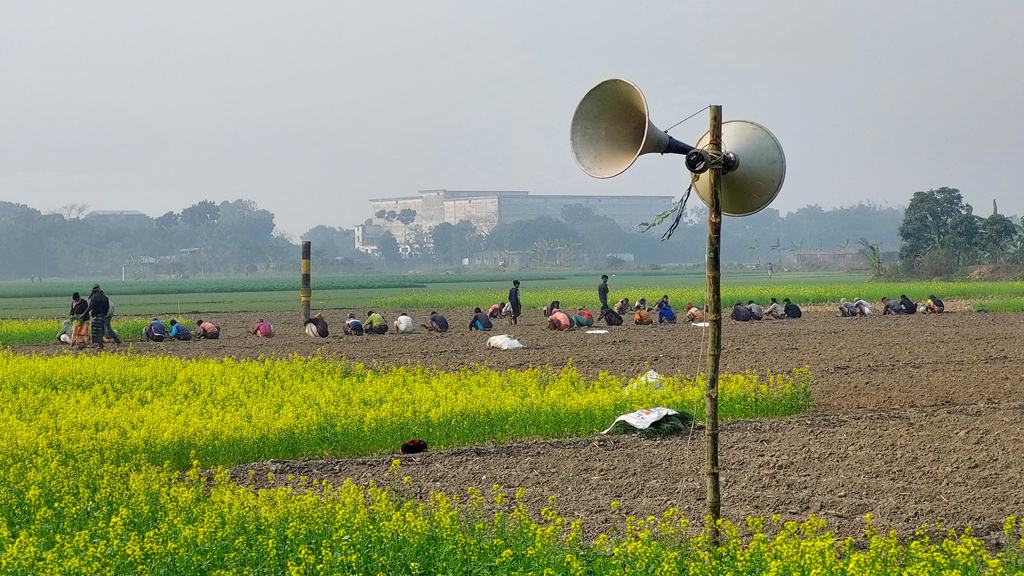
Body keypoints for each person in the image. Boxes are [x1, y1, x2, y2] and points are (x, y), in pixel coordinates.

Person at [86, 284, 119, 349]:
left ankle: (117, 341)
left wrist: (84, 314)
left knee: (106, 330)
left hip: (105, 315)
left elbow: (91, 307)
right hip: (105, 315)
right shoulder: (104, 298)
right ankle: (99, 344)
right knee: (102, 330)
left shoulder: (99, 298)